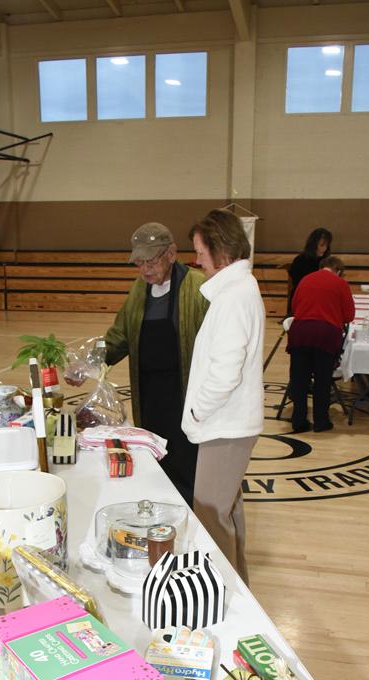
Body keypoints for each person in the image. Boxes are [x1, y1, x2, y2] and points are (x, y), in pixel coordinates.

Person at [181, 209, 265, 585]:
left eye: (201, 252)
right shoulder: (239, 289)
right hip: (230, 424)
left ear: (221, 249)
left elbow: (225, 372)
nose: (197, 260)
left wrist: (198, 411)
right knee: (227, 512)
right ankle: (239, 588)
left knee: (211, 517)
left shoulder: (234, 296)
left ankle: (224, 596)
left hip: (226, 425)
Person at [104, 222, 208, 507]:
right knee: (155, 461)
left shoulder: (197, 287)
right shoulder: (139, 290)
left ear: (171, 254)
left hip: (184, 395)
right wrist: (93, 359)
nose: (145, 269)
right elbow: (120, 335)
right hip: (149, 396)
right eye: (139, 262)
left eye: (151, 261)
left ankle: (189, 517)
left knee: (185, 464)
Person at [286, 255, 355, 434]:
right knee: (322, 380)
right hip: (326, 334)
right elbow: (349, 315)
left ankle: (298, 421)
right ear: (338, 271)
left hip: (300, 332)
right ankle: (321, 421)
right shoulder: (341, 284)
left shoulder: (305, 279)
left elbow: (294, 307)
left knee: (299, 379)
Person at [287, 227, 333, 314]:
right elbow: (298, 284)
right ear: (313, 245)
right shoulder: (300, 260)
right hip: (304, 298)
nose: (324, 249)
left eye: (327, 246)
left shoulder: (327, 261)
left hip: (322, 298)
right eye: (322, 245)